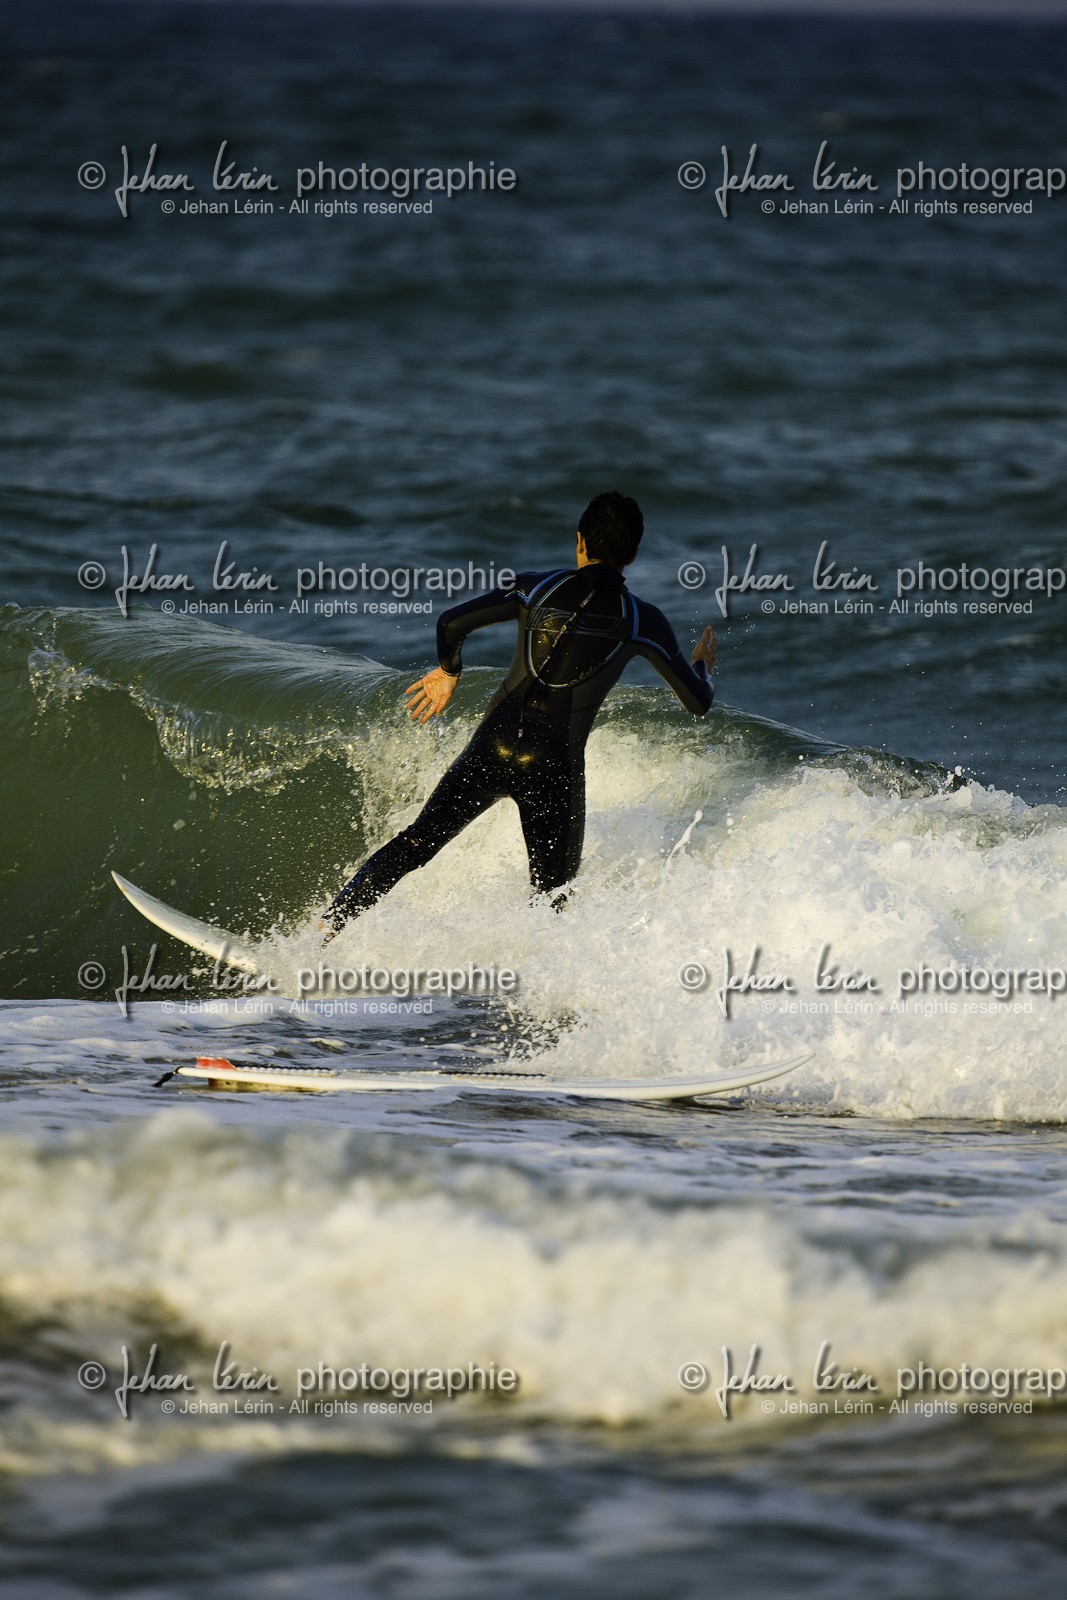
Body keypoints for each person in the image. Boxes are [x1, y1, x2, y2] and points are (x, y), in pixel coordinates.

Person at [324, 491, 717, 933]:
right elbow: (697, 702)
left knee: (416, 843)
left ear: (580, 542)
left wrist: (449, 671)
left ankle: (329, 926)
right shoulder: (644, 620)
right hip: (553, 767)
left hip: (491, 747)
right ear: (634, 553)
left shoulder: (535, 586)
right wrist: (702, 662)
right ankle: (532, 994)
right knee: (553, 899)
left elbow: (451, 623)